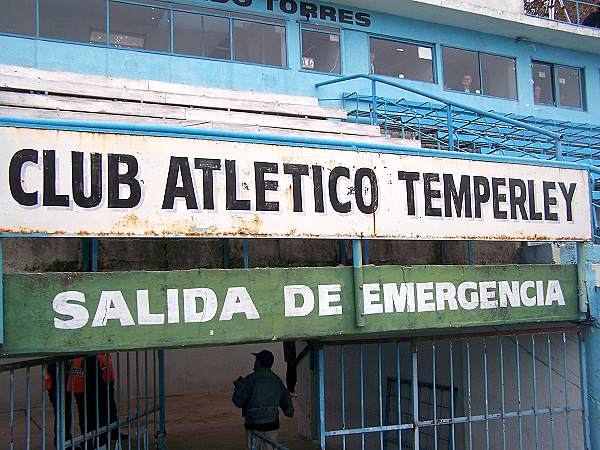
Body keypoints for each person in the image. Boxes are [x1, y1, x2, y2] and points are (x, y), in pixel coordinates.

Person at [232, 350, 294, 450]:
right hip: (271, 424)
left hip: (253, 424)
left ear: (259, 363)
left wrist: (238, 388)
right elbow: (289, 410)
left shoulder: (250, 379)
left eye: (256, 360)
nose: (254, 362)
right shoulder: (277, 380)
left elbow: (238, 402)